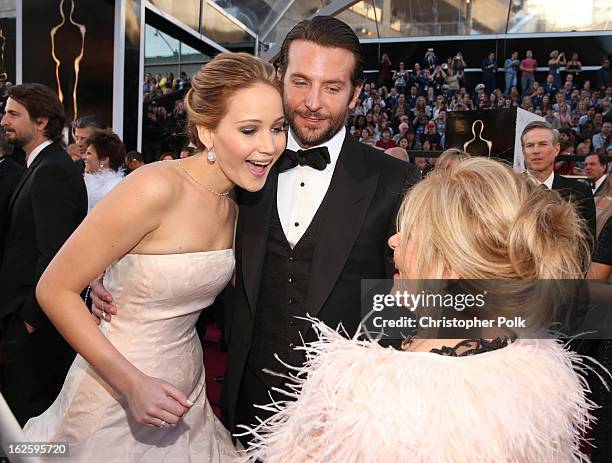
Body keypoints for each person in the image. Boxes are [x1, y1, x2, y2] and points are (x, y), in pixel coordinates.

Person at [92, 17, 420, 443]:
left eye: (332, 87)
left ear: (356, 94)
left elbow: (435, 294)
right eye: (300, 82)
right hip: (245, 409)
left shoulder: (396, 180)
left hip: (346, 416)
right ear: (279, 77)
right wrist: (109, 268)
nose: (312, 103)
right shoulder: (240, 170)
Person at [243, 157, 604, 462]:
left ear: (453, 264)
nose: (393, 240)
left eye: (412, 233)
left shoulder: (365, 391)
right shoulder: (536, 363)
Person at [23, 53, 286, 461]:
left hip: (186, 392)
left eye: (278, 128)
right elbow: (53, 288)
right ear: (207, 132)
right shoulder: (156, 187)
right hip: (116, 391)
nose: (269, 146)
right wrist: (130, 383)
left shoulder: (238, 204)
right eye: (250, 130)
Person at [0, 83, 88, 426]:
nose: (4, 120)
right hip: (23, 318)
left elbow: (55, 253)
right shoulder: (38, 166)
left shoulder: (52, 171)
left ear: (41, 122)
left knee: (30, 419)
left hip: (35, 326)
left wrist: (30, 320)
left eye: (12, 114)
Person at [521, 121, 596, 241]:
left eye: (542, 144)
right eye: (530, 145)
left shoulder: (580, 192)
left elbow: (587, 243)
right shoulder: (508, 189)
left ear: (556, 149)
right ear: (523, 152)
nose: (535, 151)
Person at [83, 128, 126, 213]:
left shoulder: (115, 188)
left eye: (89, 153)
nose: (83, 157)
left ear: (104, 159)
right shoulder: (89, 183)